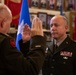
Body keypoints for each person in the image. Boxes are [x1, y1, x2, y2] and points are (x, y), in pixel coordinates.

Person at [0, 4, 46, 75]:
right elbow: (30, 70)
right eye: (10, 23)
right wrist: (38, 40)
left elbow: (16, 66)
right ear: (3, 23)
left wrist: (25, 44)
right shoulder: (4, 42)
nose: (9, 27)